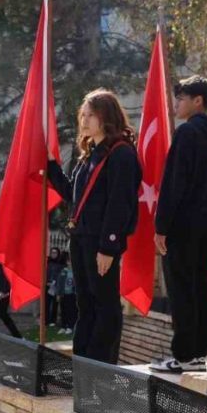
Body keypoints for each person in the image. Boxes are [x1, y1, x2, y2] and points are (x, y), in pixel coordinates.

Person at [48, 88, 142, 364]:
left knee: (105, 304)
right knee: (85, 304)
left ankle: (100, 366)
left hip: (100, 242)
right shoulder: (90, 154)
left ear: (107, 117)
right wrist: (51, 167)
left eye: (91, 115)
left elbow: (119, 204)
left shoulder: (121, 154)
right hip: (80, 237)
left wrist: (108, 246)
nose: (85, 120)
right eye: (83, 115)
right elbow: (74, 196)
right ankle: (83, 362)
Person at [150, 76, 207, 372]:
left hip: (183, 225)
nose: (176, 104)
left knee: (182, 288)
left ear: (198, 101)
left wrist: (161, 226)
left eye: (181, 98)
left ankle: (183, 356)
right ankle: (197, 354)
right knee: (202, 287)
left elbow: (175, 182)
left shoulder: (187, 132)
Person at [0, 262, 22, 338]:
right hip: (2, 289)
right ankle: (17, 336)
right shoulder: (4, 260)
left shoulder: (6, 260)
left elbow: (6, 275)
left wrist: (4, 291)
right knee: (2, 314)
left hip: (3, 290)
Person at [55, 255, 77, 333]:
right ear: (67, 262)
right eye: (69, 261)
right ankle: (63, 326)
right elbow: (59, 283)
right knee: (63, 311)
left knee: (71, 310)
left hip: (72, 294)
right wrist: (58, 294)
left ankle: (70, 326)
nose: (70, 263)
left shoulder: (76, 271)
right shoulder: (63, 271)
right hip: (63, 294)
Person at [46, 247, 64, 326]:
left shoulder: (60, 264)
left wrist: (56, 283)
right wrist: (46, 282)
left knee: (55, 304)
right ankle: (46, 320)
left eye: (55, 253)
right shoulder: (47, 262)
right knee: (46, 303)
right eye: (52, 252)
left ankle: (53, 320)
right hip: (47, 285)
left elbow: (60, 275)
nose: (53, 254)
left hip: (56, 286)